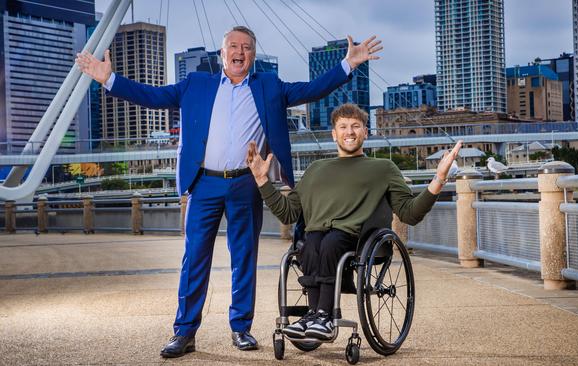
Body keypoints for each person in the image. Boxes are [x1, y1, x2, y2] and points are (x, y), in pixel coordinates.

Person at [75, 26, 383, 357]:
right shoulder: (196, 84)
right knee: (194, 258)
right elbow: (153, 96)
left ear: (253, 55)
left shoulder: (268, 86)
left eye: (247, 47)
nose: (240, 51)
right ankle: (184, 332)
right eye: (233, 46)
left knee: (244, 256)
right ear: (222, 53)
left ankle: (241, 329)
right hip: (204, 182)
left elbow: (312, 89)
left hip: (245, 183)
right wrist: (109, 79)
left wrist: (348, 64)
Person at [247, 103, 461, 340]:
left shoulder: (383, 168)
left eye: (355, 126)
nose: (349, 132)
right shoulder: (315, 169)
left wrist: (439, 178)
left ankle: (323, 316)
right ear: (334, 134)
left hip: (356, 237)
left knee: (329, 242)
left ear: (365, 133)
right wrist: (261, 180)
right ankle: (314, 315)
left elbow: (409, 213)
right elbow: (288, 214)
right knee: (310, 242)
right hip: (317, 237)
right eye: (343, 127)